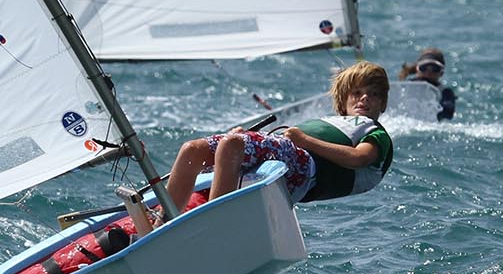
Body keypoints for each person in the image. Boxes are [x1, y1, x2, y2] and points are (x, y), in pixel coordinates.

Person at [128, 61, 394, 229]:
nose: (364, 99)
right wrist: (245, 138)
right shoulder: (334, 121)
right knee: (193, 149)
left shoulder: (374, 132)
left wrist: (304, 140)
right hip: (283, 155)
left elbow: (359, 158)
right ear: (344, 98)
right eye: (357, 93)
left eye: (373, 95)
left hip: (303, 170)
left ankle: (214, 226)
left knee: (232, 144)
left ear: (382, 103)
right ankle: (162, 223)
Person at [398, 47, 459, 121]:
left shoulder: (445, 92)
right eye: (424, 68)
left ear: (441, 73)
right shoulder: (405, 87)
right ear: (417, 69)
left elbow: (448, 113)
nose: (428, 73)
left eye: (434, 69)